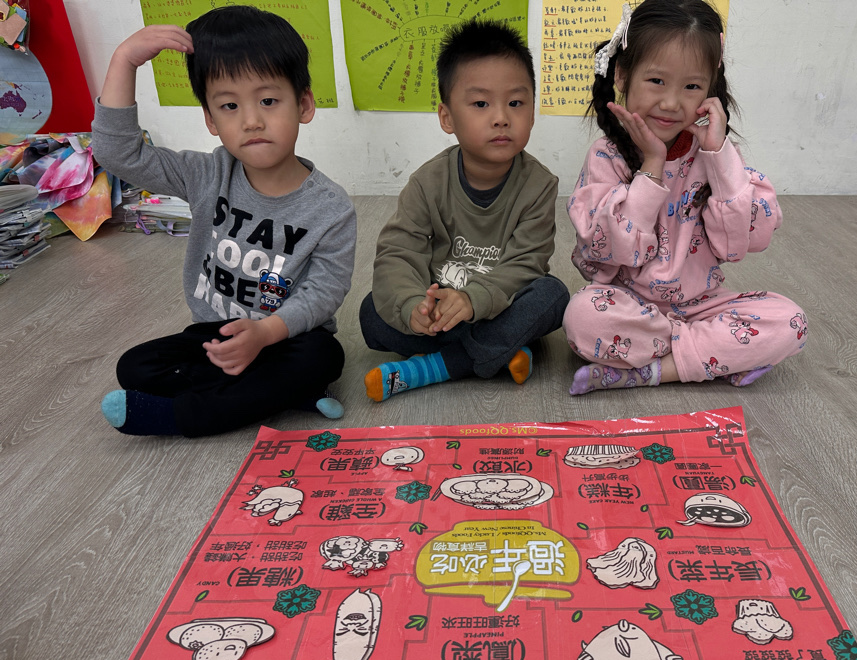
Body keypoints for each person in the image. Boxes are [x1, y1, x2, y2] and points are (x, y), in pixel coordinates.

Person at [92, 5, 355, 436]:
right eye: (230, 106)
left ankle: (181, 416)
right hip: (217, 333)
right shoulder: (207, 174)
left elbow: (324, 293)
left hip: (286, 337)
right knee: (135, 367)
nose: (251, 121)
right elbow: (119, 154)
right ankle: (282, 394)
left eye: (268, 101)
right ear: (211, 119)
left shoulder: (331, 207)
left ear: (304, 104)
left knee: (323, 357)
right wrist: (124, 61)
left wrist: (265, 334)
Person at [562, 0, 807, 395]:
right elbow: (614, 250)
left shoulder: (716, 156)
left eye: (691, 86)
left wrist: (719, 156)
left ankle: (650, 371)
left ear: (710, 89)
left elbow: (739, 244)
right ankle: (714, 357)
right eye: (657, 81)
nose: (671, 103)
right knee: (583, 318)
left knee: (790, 321)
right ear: (622, 74)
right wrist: (652, 167)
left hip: (702, 306)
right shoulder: (606, 157)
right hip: (628, 306)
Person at [359, 19, 569, 402]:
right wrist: (414, 307)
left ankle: (442, 366)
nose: (501, 117)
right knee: (373, 311)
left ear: (532, 112)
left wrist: (474, 300)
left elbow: (526, 264)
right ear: (447, 117)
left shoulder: (539, 185)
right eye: (481, 104)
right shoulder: (427, 182)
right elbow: (398, 252)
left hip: (498, 304)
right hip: (442, 311)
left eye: (516, 103)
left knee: (552, 295)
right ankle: (499, 350)